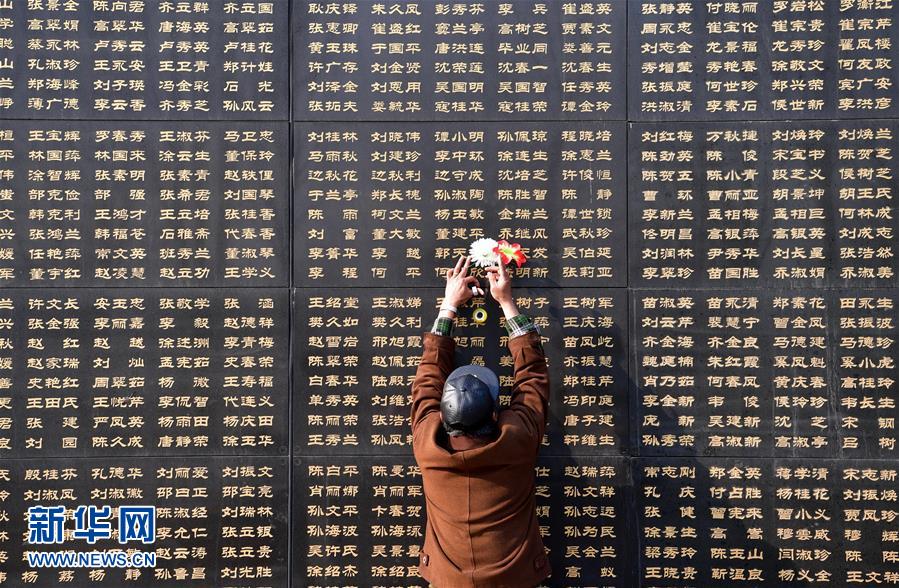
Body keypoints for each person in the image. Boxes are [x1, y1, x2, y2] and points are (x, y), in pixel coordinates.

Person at [410, 254, 551, 588]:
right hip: (515, 580)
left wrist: (449, 306)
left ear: (443, 414)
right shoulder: (517, 439)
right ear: (494, 413)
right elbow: (532, 377)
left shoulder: (428, 446)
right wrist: (506, 302)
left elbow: (427, 378)